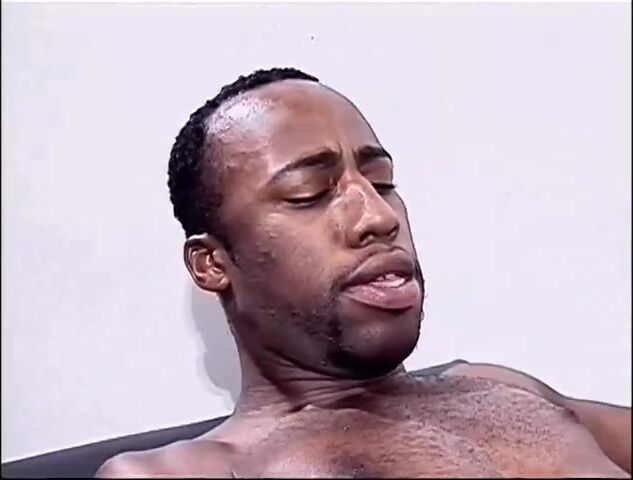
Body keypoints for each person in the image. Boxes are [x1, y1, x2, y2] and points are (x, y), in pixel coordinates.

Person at [97, 68, 631, 478]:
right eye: (308, 193)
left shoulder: (502, 389)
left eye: (383, 182)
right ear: (213, 264)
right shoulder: (183, 473)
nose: (378, 216)